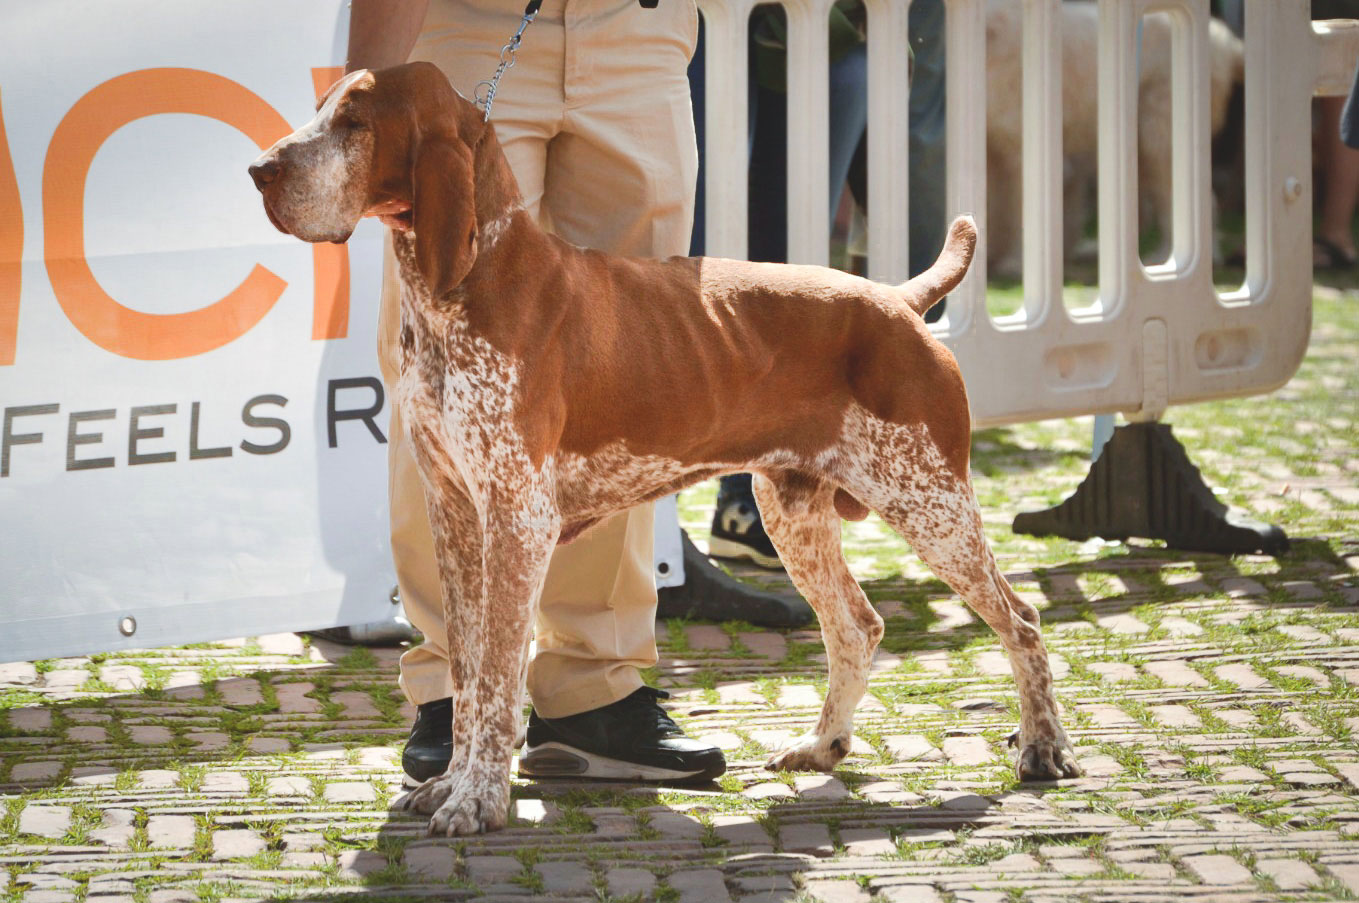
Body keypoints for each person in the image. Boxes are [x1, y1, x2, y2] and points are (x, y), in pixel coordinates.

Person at [347, 0, 725, 786]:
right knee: (443, 371)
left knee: (627, 367)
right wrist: (366, 105)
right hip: (466, 26)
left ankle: (593, 687)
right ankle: (452, 689)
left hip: (637, 32)